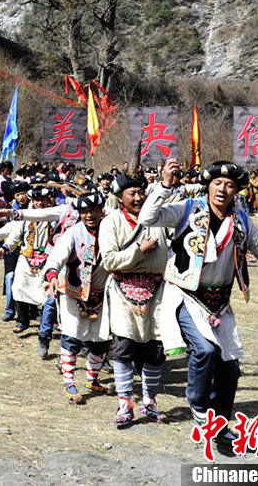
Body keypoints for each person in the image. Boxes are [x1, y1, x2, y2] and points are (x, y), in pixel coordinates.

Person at [139, 159, 258, 433]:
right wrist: (165, 185)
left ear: (237, 190)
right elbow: (148, 217)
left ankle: (219, 420)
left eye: (229, 185)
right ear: (207, 187)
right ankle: (198, 406)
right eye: (217, 183)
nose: (222, 189)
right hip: (186, 296)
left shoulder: (242, 222)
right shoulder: (187, 210)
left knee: (229, 365)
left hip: (219, 304)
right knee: (204, 351)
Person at [98, 173, 169, 427]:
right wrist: (139, 251)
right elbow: (109, 260)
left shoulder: (157, 220)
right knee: (123, 349)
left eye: (141, 192)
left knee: (155, 348)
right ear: (120, 199)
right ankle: (124, 404)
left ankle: (149, 401)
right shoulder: (110, 223)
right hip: (122, 292)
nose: (138, 198)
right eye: (132, 194)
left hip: (157, 292)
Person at [40, 192, 112, 404]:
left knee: (101, 339)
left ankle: (92, 379)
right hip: (73, 291)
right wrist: (52, 274)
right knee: (72, 336)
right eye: (84, 211)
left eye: (93, 211)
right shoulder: (73, 233)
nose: (89, 215)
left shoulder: (110, 230)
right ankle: (69, 381)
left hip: (101, 294)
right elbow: (57, 256)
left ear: (101, 211)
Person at [0, 187, 56, 331]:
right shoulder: (25, 216)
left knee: (45, 293)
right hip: (26, 257)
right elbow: (15, 234)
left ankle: (46, 324)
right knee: (18, 287)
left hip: (47, 259)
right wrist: (4, 248)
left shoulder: (55, 217)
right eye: (37, 200)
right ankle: (22, 321)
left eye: (43, 200)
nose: (39, 203)